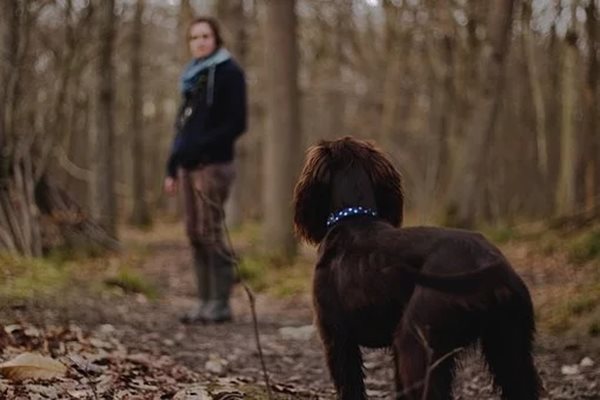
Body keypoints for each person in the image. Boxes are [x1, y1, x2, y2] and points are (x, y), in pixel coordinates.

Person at [164, 16, 247, 324]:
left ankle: (220, 302)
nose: (200, 41)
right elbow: (182, 128)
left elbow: (237, 123)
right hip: (186, 167)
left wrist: (202, 147)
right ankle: (203, 301)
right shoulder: (192, 78)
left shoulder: (229, 73)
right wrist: (171, 167)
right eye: (194, 37)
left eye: (206, 36)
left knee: (211, 231)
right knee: (194, 233)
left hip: (213, 165)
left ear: (216, 39)